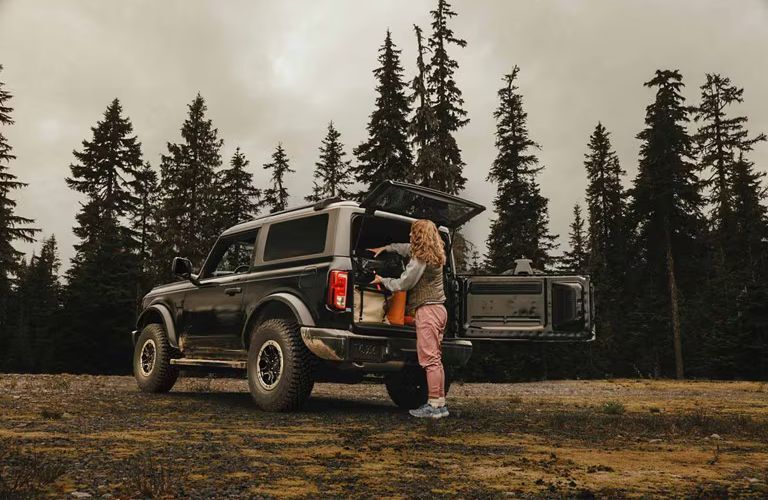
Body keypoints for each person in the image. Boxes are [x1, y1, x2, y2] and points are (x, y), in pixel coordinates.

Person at [368, 219, 448, 419]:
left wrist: (383, 281)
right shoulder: (435, 253)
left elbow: (405, 282)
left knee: (429, 361)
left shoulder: (420, 259)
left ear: (420, 235)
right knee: (436, 360)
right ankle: (440, 404)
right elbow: (406, 248)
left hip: (428, 311)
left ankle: (433, 406)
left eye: (413, 233)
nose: (410, 236)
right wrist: (387, 248)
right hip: (439, 310)